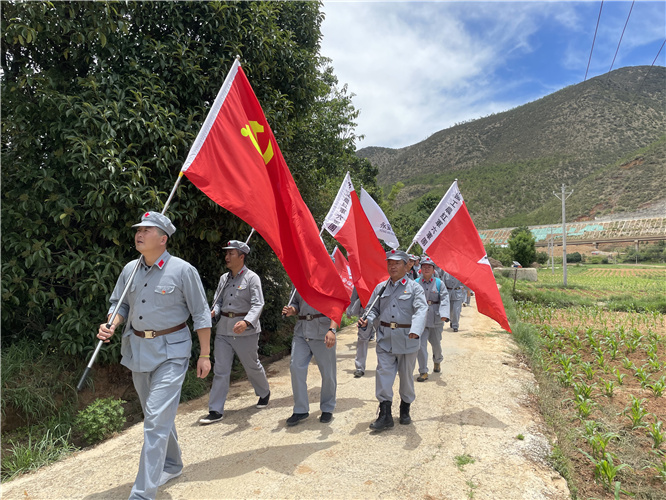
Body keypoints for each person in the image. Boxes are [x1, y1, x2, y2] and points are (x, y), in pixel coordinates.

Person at [97, 211, 211, 500]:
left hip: (172, 352)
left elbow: (200, 314)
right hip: (138, 351)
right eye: (139, 229)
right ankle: (172, 464)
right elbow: (119, 305)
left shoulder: (183, 270)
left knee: (155, 421)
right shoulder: (129, 270)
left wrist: (205, 354)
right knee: (155, 415)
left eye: (147, 230)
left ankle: (142, 494)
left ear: (163, 239)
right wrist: (112, 322)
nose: (140, 233)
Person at [199, 240, 270, 425]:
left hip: (245, 331)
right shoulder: (224, 278)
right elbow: (218, 301)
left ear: (241, 256)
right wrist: (213, 311)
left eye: (231, 254)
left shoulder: (252, 278)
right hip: (224, 329)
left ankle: (264, 392)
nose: (227, 257)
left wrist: (247, 322)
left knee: (251, 365)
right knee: (221, 370)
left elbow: (258, 304)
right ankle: (215, 410)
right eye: (226, 253)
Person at [358, 250, 428, 431]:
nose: (392, 266)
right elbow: (372, 309)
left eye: (397, 263)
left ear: (406, 266)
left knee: (406, 379)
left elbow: (421, 310)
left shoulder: (415, 288)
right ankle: (385, 414)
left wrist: (416, 330)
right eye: (390, 263)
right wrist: (367, 319)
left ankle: (405, 409)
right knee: (383, 376)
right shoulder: (381, 287)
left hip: (407, 339)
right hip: (385, 339)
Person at [281, 290, 338, 426]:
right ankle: (300, 409)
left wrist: (332, 330)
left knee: (328, 372)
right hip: (302, 331)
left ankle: (327, 407)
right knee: (296, 367)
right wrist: (292, 310)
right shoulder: (298, 282)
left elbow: (337, 306)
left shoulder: (328, 280)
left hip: (323, 331)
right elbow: (296, 305)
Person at [415, 256, 450, 381]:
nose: (426, 268)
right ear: (421, 268)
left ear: (433, 269)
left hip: (435, 319)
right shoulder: (415, 283)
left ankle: (437, 360)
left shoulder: (440, 283)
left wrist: (444, 314)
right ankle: (423, 371)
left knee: (436, 344)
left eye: (429, 266)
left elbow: (445, 300)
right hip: (421, 319)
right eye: (424, 266)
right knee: (420, 345)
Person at [347, 287, 376, 378]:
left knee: (384, 339)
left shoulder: (385, 279)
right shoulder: (360, 279)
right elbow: (354, 297)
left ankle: (386, 366)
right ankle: (359, 368)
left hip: (381, 312)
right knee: (362, 340)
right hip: (365, 312)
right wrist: (349, 310)